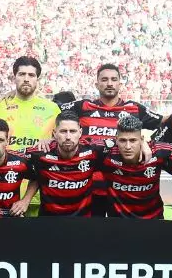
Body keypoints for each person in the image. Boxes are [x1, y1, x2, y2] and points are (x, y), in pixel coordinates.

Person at [59, 64, 165, 216]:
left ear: (120, 84)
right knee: (93, 236)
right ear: (97, 84)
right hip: (90, 187)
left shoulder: (134, 108)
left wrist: (145, 141)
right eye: (104, 79)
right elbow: (53, 112)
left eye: (114, 79)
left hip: (121, 187)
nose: (109, 83)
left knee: (119, 235)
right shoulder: (83, 106)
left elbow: (165, 122)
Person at [0, 56, 61, 216]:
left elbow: (64, 144)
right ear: (14, 77)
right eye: (22, 74)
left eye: (31, 75)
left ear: (38, 79)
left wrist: (53, 141)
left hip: (41, 191)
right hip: (2, 191)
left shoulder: (52, 109)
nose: (26, 79)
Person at [22, 111, 101, 217]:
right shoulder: (39, 152)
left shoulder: (93, 151)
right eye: (63, 131)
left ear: (80, 133)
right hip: (49, 221)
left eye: (72, 131)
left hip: (82, 221)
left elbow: (121, 145)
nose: (68, 137)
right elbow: (8, 156)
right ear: (54, 133)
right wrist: (25, 200)